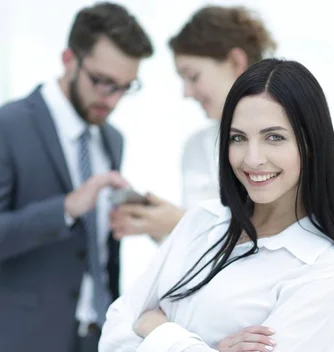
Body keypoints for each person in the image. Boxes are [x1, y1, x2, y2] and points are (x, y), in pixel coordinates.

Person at [102, 59, 334, 352]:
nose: (252, 159)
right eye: (238, 138)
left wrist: (156, 328)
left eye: (274, 138)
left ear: (310, 144)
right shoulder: (202, 221)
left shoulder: (326, 270)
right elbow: (113, 336)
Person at [0, 3, 152, 352]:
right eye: (102, 82)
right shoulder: (0, 128)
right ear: (69, 59)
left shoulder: (112, 139)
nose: (112, 100)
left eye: (125, 87)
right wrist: (65, 208)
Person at [110, 5, 277, 242]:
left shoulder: (290, 136)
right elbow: (202, 252)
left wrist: (179, 221)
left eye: (193, 76)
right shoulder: (197, 146)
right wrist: (159, 226)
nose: (186, 93)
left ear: (234, 62)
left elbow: (277, 237)